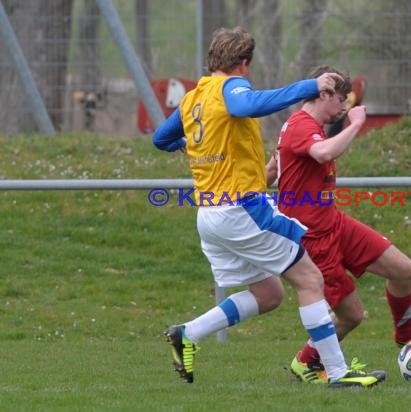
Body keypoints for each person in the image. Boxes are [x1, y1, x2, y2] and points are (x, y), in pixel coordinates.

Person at [152, 27, 384, 388]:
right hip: (240, 209)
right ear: (243, 63)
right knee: (310, 279)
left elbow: (160, 139)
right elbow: (247, 104)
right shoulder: (232, 87)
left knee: (270, 294)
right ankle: (337, 373)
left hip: (210, 215)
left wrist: (187, 143)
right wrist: (309, 86)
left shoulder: (194, 98)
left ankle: (188, 333)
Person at [266, 65, 411, 384]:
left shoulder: (302, 126)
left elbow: (272, 169)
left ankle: (406, 334)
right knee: (352, 315)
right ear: (322, 94)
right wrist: (356, 125)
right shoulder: (301, 126)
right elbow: (323, 153)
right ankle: (305, 363)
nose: (344, 107)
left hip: (335, 224)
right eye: (341, 99)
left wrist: (259, 180)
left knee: (403, 270)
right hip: (313, 239)